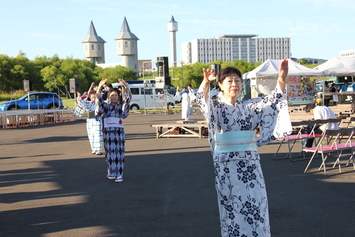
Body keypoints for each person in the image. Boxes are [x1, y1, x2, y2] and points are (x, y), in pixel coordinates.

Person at [196, 59, 291, 237]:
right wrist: (205, 82)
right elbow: (203, 99)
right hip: (227, 165)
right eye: (229, 81)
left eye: (238, 81)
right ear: (221, 85)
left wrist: (281, 79)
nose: (234, 84)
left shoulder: (248, 107)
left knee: (257, 203)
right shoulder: (216, 106)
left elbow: (272, 102)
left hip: (250, 165)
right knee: (232, 207)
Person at [96, 78, 131, 183]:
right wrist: (99, 87)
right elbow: (98, 102)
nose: (114, 97)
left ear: (118, 96)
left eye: (116, 95)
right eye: (112, 95)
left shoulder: (121, 106)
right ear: (108, 97)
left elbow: (127, 100)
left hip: (119, 133)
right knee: (109, 153)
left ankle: (119, 174)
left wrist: (126, 87)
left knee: (119, 153)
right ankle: (111, 172)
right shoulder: (106, 106)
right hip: (108, 132)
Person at [75, 82, 103, 155]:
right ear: (90, 97)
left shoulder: (99, 103)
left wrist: (98, 88)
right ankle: (94, 148)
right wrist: (79, 96)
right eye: (92, 97)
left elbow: (99, 95)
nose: (93, 98)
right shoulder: (88, 103)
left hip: (97, 120)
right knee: (91, 135)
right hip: (90, 120)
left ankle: (99, 149)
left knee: (98, 135)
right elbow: (81, 102)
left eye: (95, 97)